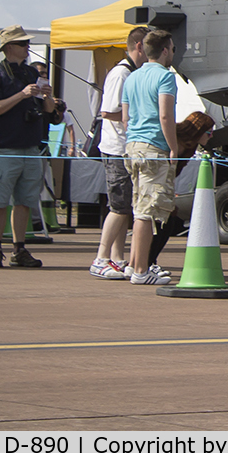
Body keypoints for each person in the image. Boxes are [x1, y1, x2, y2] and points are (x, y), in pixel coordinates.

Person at [0, 25, 59, 268]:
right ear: (9, 47)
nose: (28, 47)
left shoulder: (31, 74)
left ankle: (19, 249)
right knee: (0, 202)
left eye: (27, 43)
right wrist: (21, 95)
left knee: (25, 201)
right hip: (5, 148)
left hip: (31, 147)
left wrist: (48, 97)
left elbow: (48, 112)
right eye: (23, 43)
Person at [121, 28, 180, 285]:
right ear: (165, 50)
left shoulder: (132, 77)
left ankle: (135, 263)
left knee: (139, 209)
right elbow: (166, 115)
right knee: (147, 212)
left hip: (133, 145)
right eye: (173, 49)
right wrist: (174, 148)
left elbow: (125, 118)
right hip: (153, 147)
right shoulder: (166, 77)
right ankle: (141, 270)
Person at [89, 27, 146, 279]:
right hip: (116, 149)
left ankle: (117, 258)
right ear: (139, 46)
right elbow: (107, 112)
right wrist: (137, 115)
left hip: (127, 149)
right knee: (119, 206)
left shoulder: (133, 72)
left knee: (124, 206)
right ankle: (101, 258)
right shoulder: (121, 74)